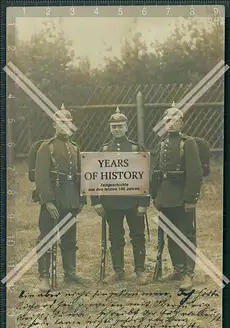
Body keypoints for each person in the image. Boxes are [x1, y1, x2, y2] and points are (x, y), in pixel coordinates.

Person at [92, 106, 150, 285]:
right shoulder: (103, 149)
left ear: (127, 127)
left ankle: (140, 270)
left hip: (133, 202)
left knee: (137, 235)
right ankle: (118, 271)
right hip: (111, 202)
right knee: (115, 236)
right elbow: (95, 175)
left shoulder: (136, 147)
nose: (117, 129)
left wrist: (143, 202)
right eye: (114, 126)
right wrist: (96, 202)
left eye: (120, 126)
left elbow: (144, 175)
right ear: (110, 128)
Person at [151, 102, 203, 291]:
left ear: (181, 122)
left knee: (187, 235)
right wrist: (155, 195)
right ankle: (178, 268)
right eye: (167, 120)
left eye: (174, 120)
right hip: (165, 198)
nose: (170, 123)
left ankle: (188, 274)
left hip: (182, 198)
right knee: (171, 234)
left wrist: (190, 198)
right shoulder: (162, 142)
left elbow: (195, 173)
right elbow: (157, 171)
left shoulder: (187, 142)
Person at [34, 103, 86, 292]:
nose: (65, 126)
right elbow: (41, 177)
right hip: (53, 200)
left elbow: (80, 175)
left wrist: (81, 200)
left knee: (70, 238)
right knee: (46, 237)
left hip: (70, 199)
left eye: (68, 123)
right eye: (60, 123)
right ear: (54, 125)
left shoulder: (75, 147)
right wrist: (47, 201)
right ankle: (44, 277)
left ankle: (70, 273)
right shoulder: (46, 148)